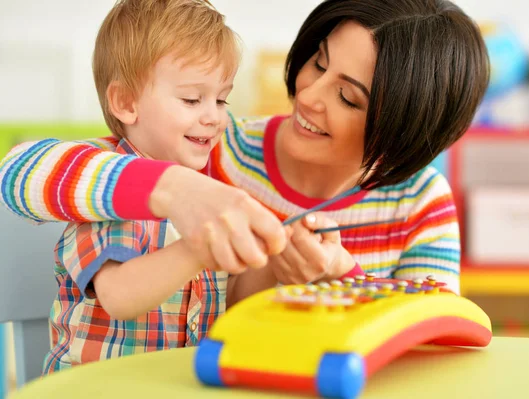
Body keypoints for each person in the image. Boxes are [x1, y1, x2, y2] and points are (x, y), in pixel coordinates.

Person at [0, 0, 489, 302]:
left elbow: (440, 340)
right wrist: (175, 190)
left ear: (404, 127)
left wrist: (342, 277)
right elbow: (18, 173)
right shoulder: (209, 146)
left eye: (348, 97)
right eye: (318, 64)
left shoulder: (420, 201)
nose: (310, 96)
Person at [37, 0, 291, 374]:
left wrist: (274, 255)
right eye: (192, 99)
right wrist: (199, 248)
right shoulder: (106, 187)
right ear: (126, 102)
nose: (214, 116)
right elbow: (119, 296)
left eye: (221, 99)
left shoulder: (209, 188)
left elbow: (233, 301)